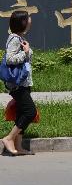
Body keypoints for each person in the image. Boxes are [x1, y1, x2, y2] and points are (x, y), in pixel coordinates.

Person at [2, 10, 37, 156]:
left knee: (22, 113)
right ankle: (9, 138)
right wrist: (26, 52)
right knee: (30, 112)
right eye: (28, 18)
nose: (30, 20)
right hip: (17, 84)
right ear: (22, 22)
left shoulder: (19, 37)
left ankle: (18, 145)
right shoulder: (14, 39)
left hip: (23, 83)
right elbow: (10, 59)